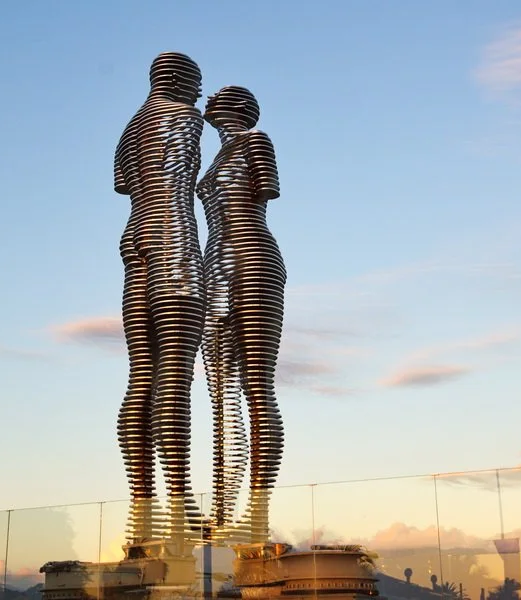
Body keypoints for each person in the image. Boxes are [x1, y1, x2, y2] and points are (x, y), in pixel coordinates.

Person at [113, 52, 205, 546]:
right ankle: (179, 504)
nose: (199, 92)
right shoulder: (184, 117)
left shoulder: (130, 127)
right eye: (196, 81)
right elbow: (182, 181)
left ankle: (141, 506)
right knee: (174, 370)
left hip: (134, 239)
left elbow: (122, 183)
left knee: (140, 374)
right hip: (173, 236)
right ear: (178, 78)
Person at [197, 85, 285, 542]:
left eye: (218, 95)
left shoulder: (256, 141)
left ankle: (257, 512)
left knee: (256, 386)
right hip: (215, 265)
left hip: (253, 260)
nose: (208, 99)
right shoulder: (214, 158)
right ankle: (221, 511)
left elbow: (265, 193)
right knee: (220, 394)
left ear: (238, 107)